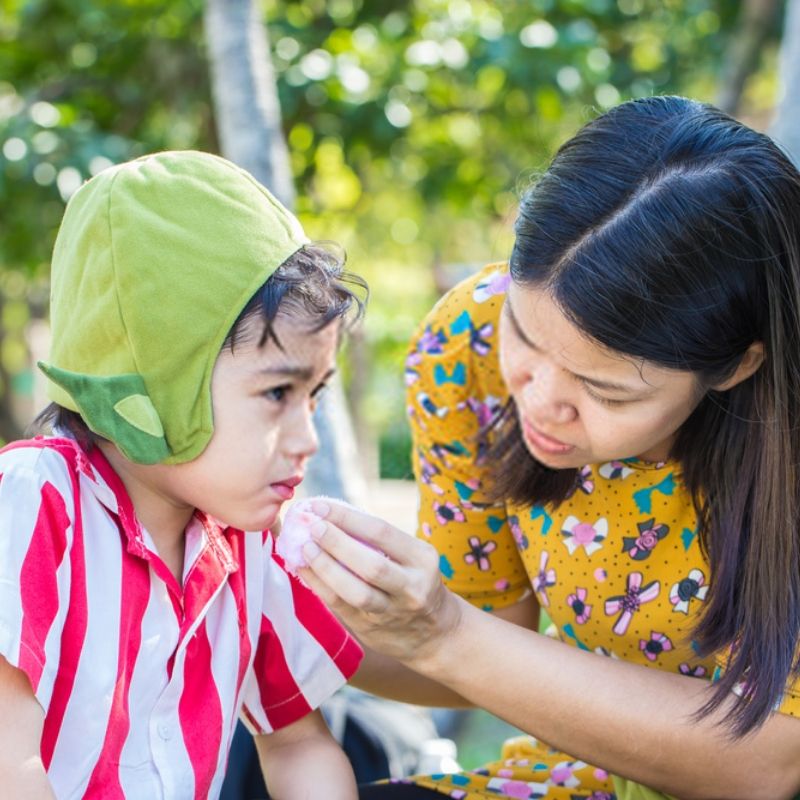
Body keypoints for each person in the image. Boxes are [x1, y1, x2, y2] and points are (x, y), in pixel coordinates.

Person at [298, 96, 800, 800]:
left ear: (738, 366)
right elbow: (490, 635)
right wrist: (273, 610)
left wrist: (445, 635)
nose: (539, 402)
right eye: (525, 339)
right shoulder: (467, 345)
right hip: (579, 778)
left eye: (609, 392)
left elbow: (770, 765)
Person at [0, 151, 366, 798]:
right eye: (278, 394)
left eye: (314, 396)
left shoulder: (254, 541)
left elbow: (298, 743)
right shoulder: (35, 502)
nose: (306, 439)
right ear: (157, 381)